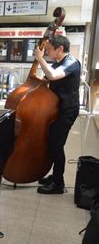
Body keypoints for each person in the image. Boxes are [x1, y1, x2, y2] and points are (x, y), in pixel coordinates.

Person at [34, 35, 81, 194]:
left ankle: (58, 184)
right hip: (55, 109)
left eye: (49, 50)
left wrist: (40, 59)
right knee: (52, 142)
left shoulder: (71, 63)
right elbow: (46, 79)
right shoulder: (57, 63)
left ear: (60, 49)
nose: (46, 52)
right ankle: (54, 176)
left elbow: (53, 76)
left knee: (56, 145)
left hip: (67, 111)